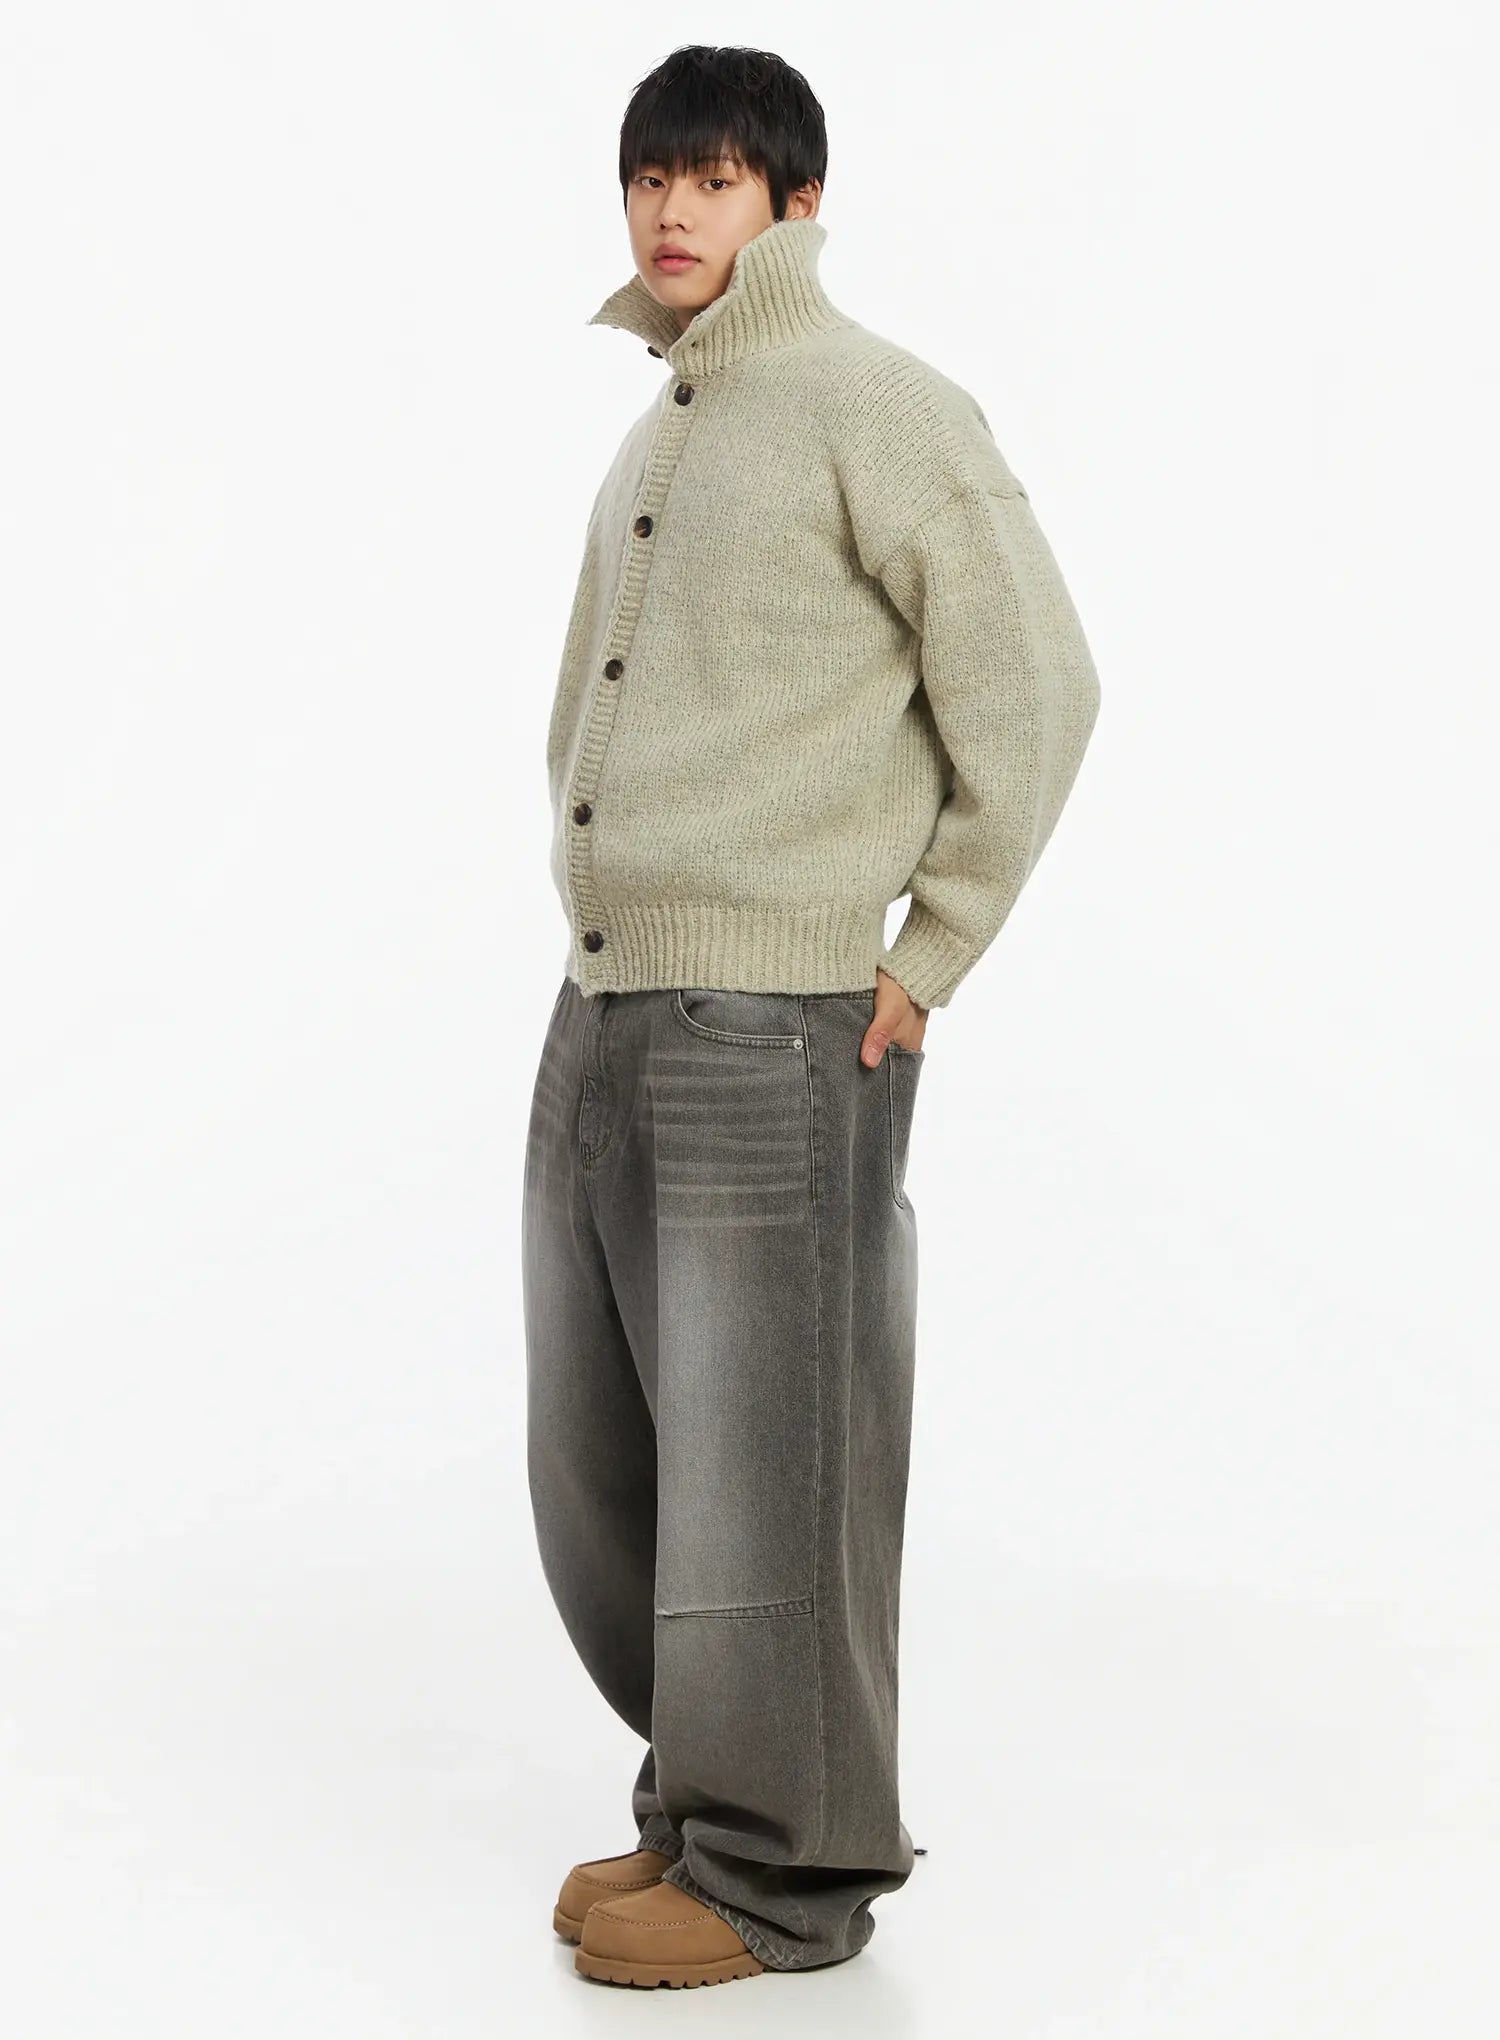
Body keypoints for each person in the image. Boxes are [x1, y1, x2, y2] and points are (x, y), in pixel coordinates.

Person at [522, 43, 1101, 1989]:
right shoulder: (661, 431)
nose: (672, 211)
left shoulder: (878, 405)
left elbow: (1039, 682)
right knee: (610, 1452)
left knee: (777, 1459)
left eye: (714, 180)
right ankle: (705, 1804)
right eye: (649, 179)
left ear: (798, 202)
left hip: (777, 1019)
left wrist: (931, 948)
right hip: (612, 1000)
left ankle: (789, 1874)